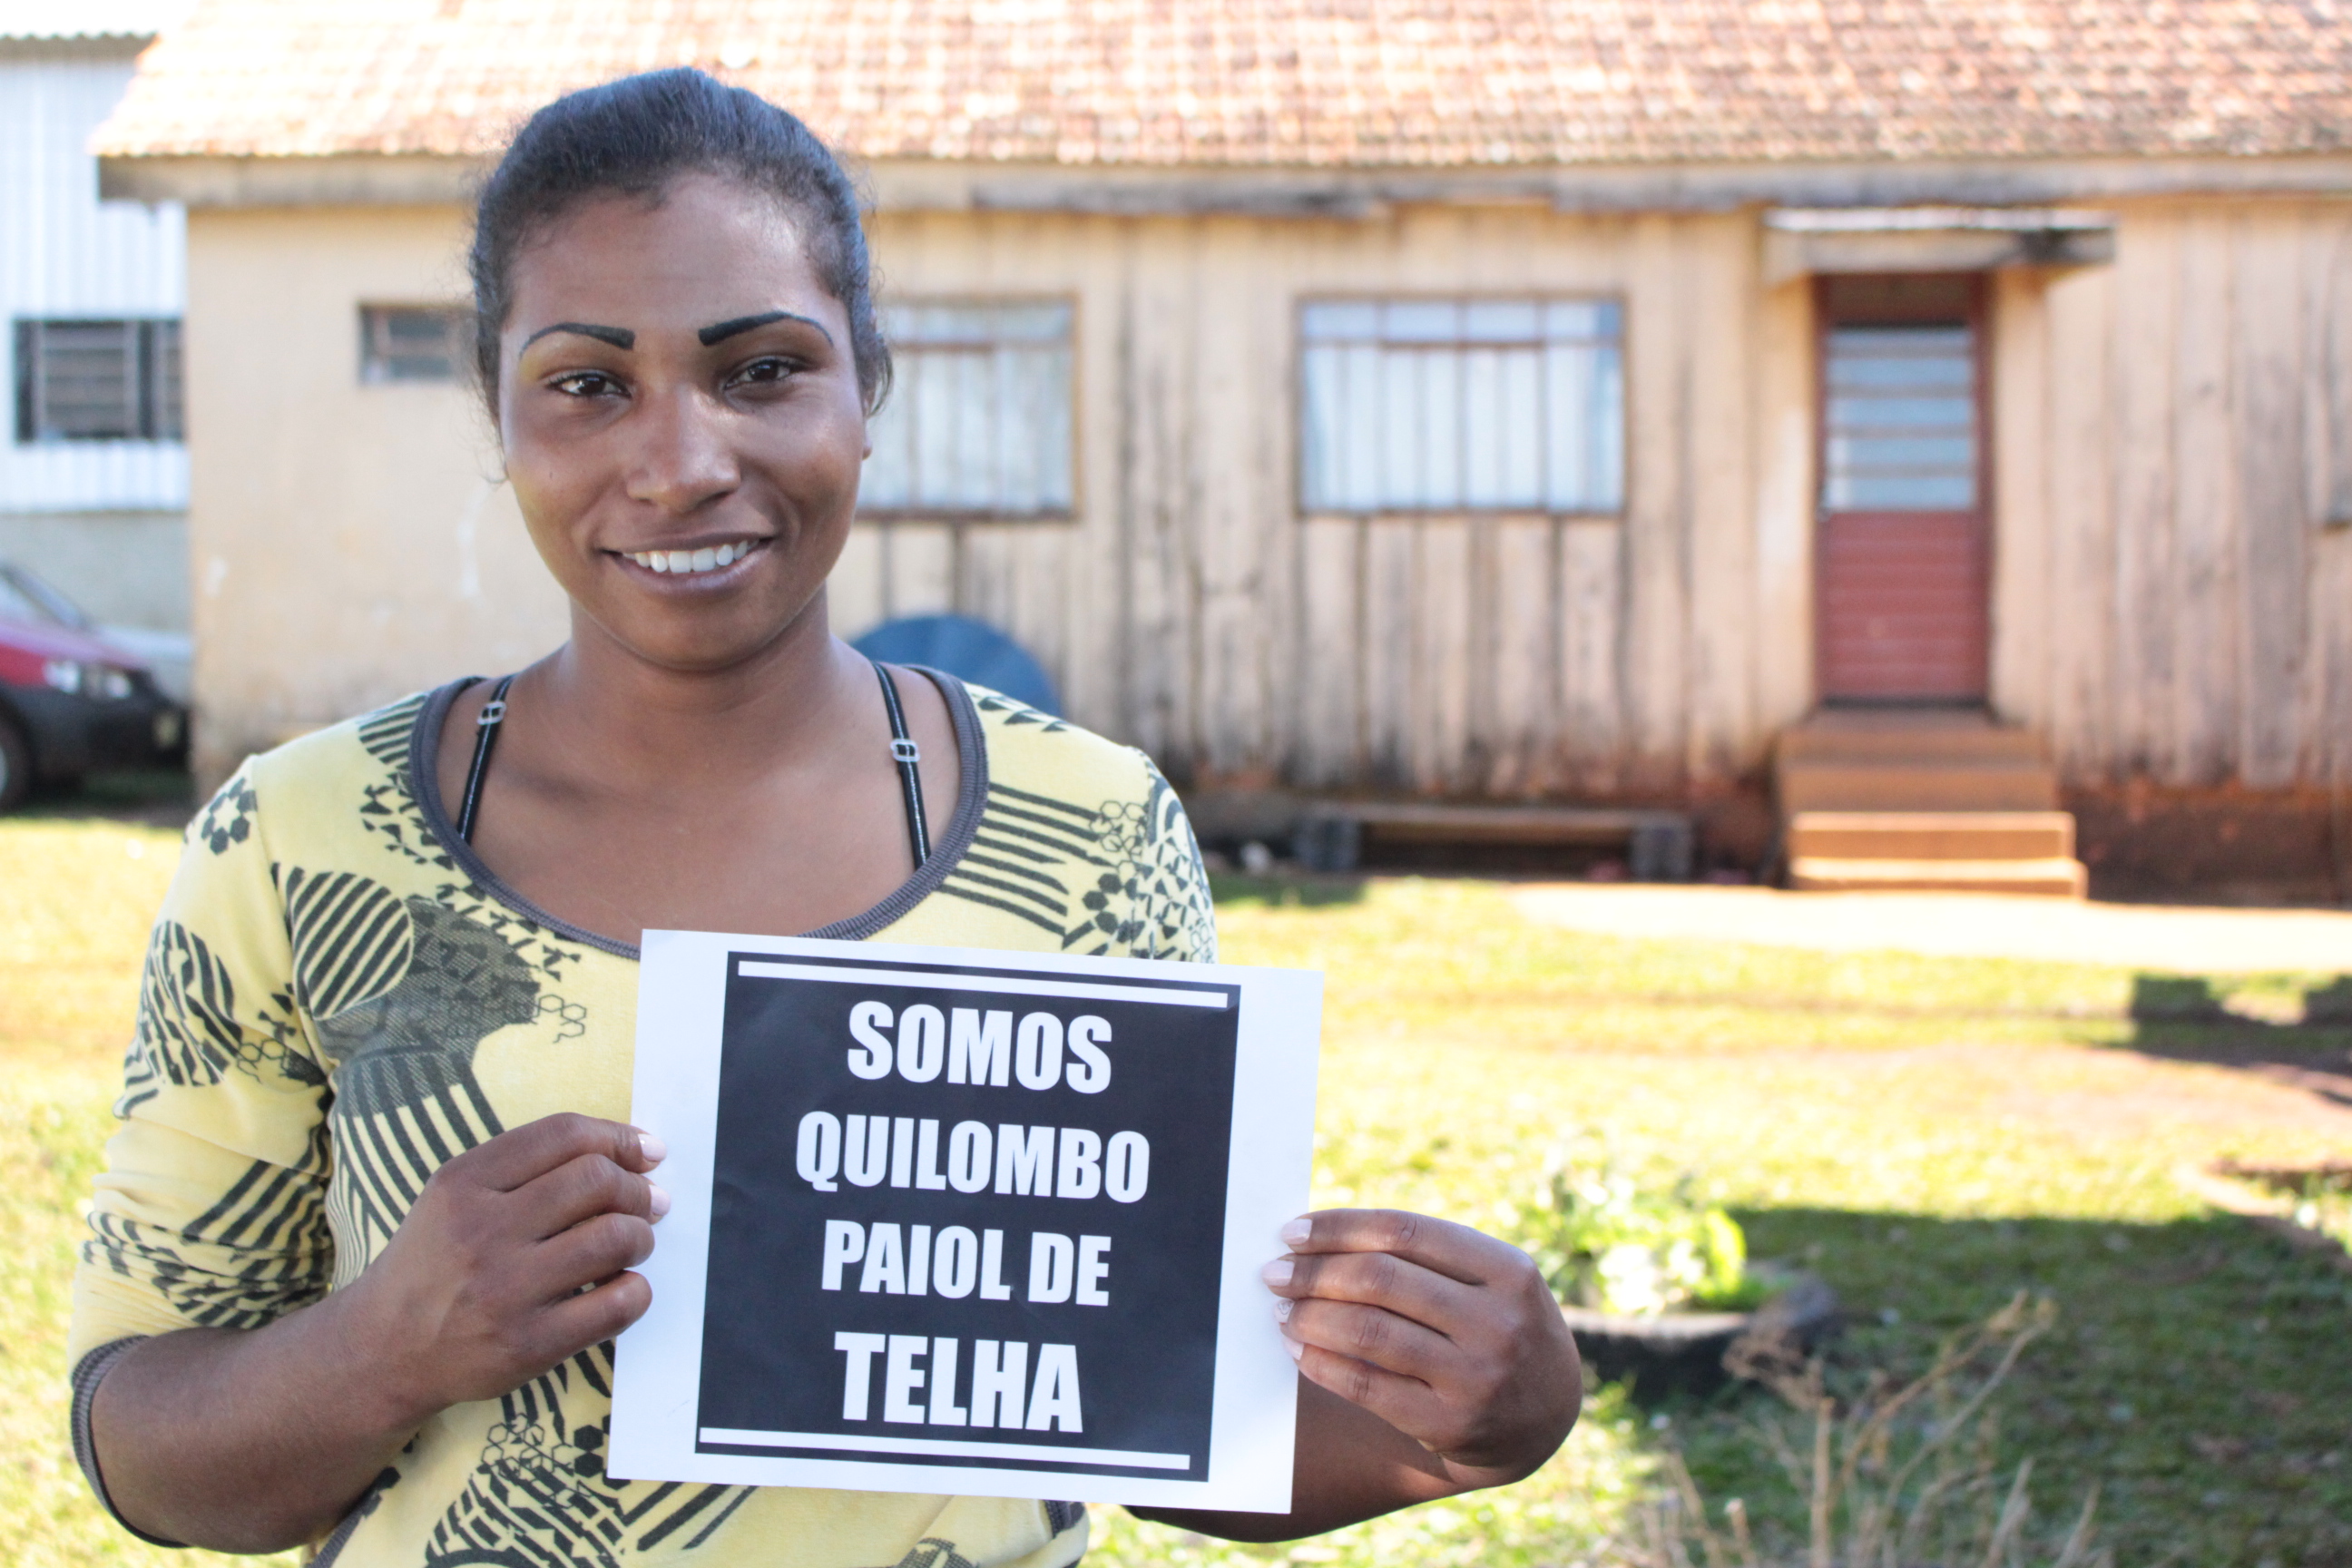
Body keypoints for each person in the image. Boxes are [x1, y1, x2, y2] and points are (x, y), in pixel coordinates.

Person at [66, 68, 1580, 1568]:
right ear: (501, 416)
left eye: (763, 369)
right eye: (589, 384)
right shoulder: (302, 839)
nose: (681, 464)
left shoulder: (1089, 834)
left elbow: (1151, 1419)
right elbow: (145, 1447)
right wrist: (385, 1347)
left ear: (870, 387)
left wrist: (1475, 1422)